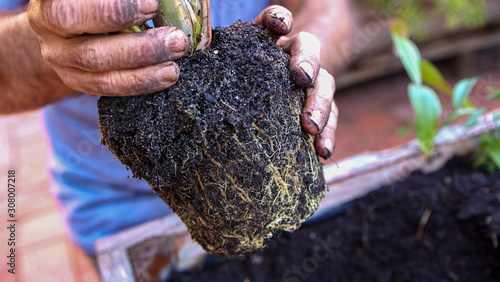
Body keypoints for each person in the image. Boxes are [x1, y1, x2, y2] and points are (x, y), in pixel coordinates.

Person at [0, 0, 353, 257]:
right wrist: (55, 40)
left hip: (302, 192)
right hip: (118, 214)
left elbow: (328, 7)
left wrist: (297, 65)